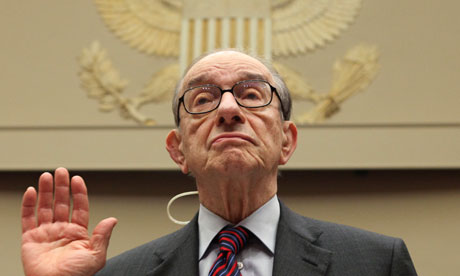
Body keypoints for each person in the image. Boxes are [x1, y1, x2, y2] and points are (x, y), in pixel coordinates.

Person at [21, 50, 417, 276]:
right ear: (178, 150)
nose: (228, 108)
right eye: (203, 99)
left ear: (287, 141)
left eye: (251, 93)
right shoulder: (121, 275)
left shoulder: (376, 263)